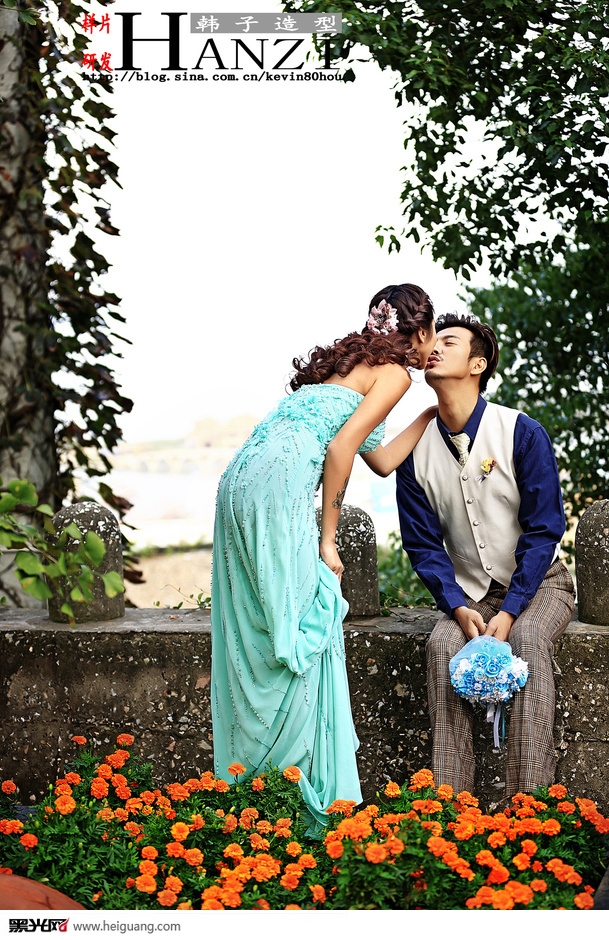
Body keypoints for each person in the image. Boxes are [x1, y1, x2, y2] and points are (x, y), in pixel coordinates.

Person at [211, 283, 437, 826]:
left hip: (242, 476)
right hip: (281, 480)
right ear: (421, 330)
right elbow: (340, 449)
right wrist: (328, 538)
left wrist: (428, 416)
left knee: (262, 627)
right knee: (299, 622)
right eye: (436, 334)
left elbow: (379, 459)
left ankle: (258, 788)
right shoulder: (395, 373)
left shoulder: (352, 363)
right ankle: (297, 794)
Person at [394, 313, 575, 799]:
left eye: (449, 341)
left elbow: (544, 529)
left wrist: (512, 609)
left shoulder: (521, 432)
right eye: (433, 341)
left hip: (541, 583)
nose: (434, 347)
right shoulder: (413, 453)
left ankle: (529, 808)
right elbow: (423, 545)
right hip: (471, 591)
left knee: (529, 639)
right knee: (441, 646)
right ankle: (449, 810)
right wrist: (455, 605)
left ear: (478, 364)